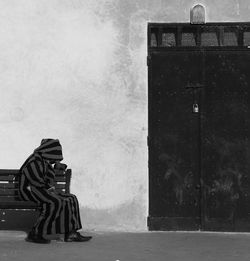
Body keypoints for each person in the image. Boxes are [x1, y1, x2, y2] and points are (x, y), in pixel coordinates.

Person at [19, 138, 92, 244]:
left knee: (71, 198)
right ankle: (36, 233)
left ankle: (71, 233)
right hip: (29, 191)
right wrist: (50, 190)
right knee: (54, 201)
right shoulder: (34, 161)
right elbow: (36, 181)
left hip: (40, 190)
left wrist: (55, 169)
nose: (56, 159)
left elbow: (48, 180)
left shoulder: (44, 161)